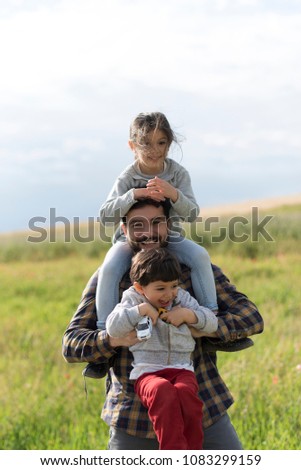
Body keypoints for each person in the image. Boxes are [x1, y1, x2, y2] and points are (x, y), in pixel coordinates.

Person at [62, 198, 264, 450]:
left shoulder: (192, 272)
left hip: (202, 408)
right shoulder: (110, 280)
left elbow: (251, 317)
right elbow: (71, 344)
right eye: (137, 225)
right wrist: (113, 339)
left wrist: (204, 326)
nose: (148, 232)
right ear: (124, 230)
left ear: (168, 225)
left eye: (156, 222)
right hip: (133, 421)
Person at [96, 111, 218, 333]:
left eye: (161, 142)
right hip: (130, 240)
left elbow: (192, 214)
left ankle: (211, 316)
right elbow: (105, 217)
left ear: (169, 144)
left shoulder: (178, 175)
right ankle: (104, 329)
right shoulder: (126, 178)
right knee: (110, 267)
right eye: (146, 144)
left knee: (200, 255)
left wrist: (174, 194)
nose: (155, 150)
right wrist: (133, 195)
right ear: (132, 146)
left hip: (168, 236)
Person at [106, 247, 218, 450]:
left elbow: (212, 322)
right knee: (162, 391)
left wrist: (187, 315)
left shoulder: (181, 299)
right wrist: (140, 310)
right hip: (147, 371)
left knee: (186, 395)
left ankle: (193, 453)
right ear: (140, 288)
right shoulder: (132, 299)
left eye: (173, 285)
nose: (169, 294)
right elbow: (113, 327)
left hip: (182, 368)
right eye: (160, 289)